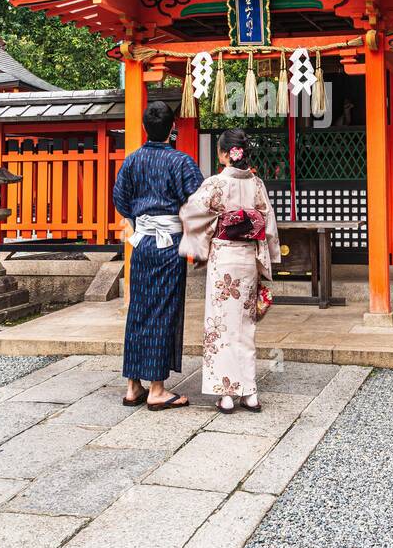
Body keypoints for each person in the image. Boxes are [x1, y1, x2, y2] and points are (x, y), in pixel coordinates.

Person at [179, 127, 281, 413]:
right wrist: (268, 259)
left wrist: (214, 225)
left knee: (220, 326)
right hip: (248, 260)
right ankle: (250, 393)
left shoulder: (214, 184)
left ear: (224, 154)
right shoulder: (257, 184)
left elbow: (189, 214)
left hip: (223, 259)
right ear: (242, 153)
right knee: (245, 326)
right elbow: (268, 226)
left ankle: (226, 394)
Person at [112, 100, 203, 410]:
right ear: (172, 128)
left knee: (139, 309)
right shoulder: (181, 162)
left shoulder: (132, 161)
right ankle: (158, 389)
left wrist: (141, 222)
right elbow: (199, 202)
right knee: (163, 310)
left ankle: (132, 385)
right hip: (169, 244)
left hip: (142, 243)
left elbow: (121, 201)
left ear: (144, 128)